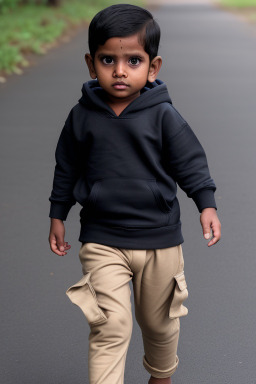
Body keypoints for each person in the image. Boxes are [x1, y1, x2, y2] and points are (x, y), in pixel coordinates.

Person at [48, 4, 221, 384]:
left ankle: (160, 376)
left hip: (159, 239)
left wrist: (205, 204)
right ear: (91, 64)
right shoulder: (82, 116)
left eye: (133, 60)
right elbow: (67, 167)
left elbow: (190, 163)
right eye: (108, 59)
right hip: (102, 239)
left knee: (158, 325)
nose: (120, 70)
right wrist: (57, 213)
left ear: (153, 67)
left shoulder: (164, 116)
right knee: (110, 325)